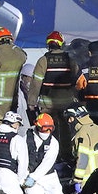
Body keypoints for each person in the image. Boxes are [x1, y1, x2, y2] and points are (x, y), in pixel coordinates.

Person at [27, 31, 79, 159]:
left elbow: (36, 83)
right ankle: (67, 155)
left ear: (48, 44)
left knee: (48, 129)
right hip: (66, 103)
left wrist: (31, 102)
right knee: (66, 129)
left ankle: (51, 156)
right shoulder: (70, 60)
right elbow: (76, 81)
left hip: (48, 104)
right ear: (61, 44)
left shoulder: (43, 60)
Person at [24, 112, 65, 194]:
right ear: (37, 126)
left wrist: (34, 177)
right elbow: (21, 156)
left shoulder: (53, 142)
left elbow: (47, 163)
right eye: (44, 128)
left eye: (50, 129)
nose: (47, 131)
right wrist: (26, 176)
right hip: (29, 175)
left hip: (48, 176)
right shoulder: (25, 137)